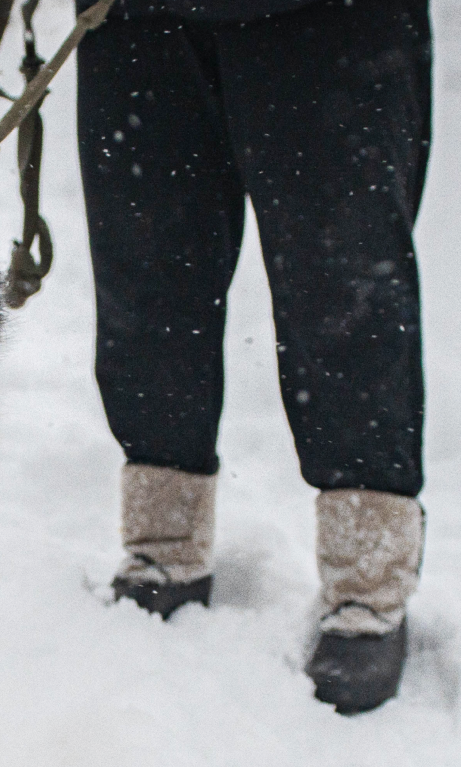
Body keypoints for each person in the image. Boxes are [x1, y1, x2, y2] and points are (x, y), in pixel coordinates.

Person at [75, 0, 431, 713]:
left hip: (330, 20)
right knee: (146, 278)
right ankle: (163, 544)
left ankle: (367, 583)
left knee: (343, 288)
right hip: (138, 18)